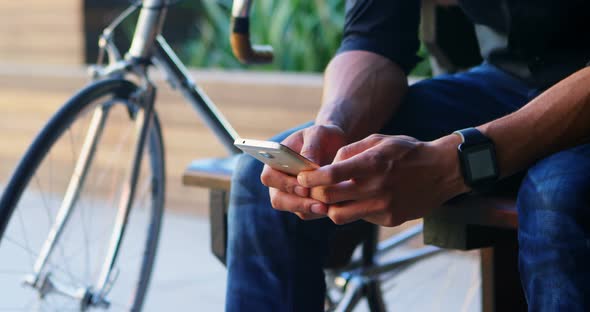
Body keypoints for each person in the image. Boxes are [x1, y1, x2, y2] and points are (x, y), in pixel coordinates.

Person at [225, 1, 590, 311]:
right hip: (507, 78)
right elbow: (374, 38)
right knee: (262, 185)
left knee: (557, 198)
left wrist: (459, 163)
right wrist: (334, 128)